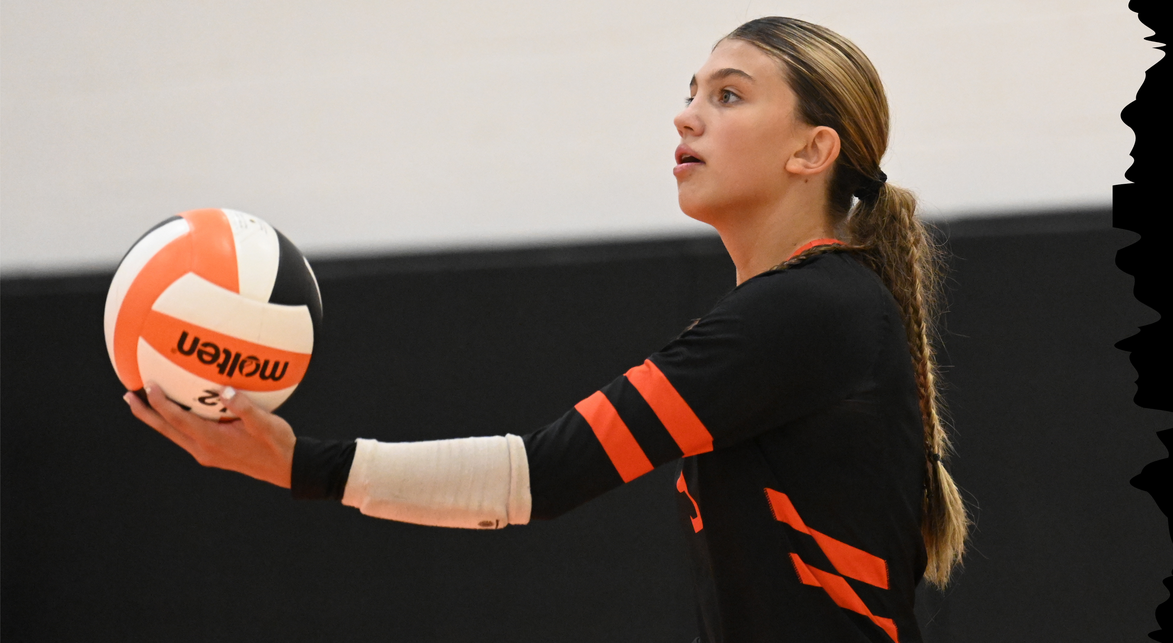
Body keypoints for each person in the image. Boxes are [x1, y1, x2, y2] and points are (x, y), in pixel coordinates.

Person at [123, 16, 966, 643]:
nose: (686, 117)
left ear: (812, 150)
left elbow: (540, 473)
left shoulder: (809, 310)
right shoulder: (805, 311)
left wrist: (297, 463)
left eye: (730, 95)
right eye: (691, 93)